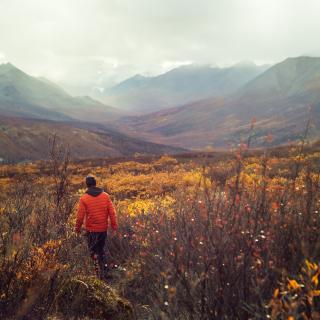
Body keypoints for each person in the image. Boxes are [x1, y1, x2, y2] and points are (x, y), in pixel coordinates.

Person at [75, 175, 118, 279]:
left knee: (93, 252)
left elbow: (80, 216)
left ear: (87, 185)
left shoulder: (84, 198)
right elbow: (112, 213)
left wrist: (77, 229)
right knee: (101, 250)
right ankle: (105, 272)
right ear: (95, 183)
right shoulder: (105, 196)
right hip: (103, 229)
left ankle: (97, 273)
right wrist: (114, 227)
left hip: (91, 231)